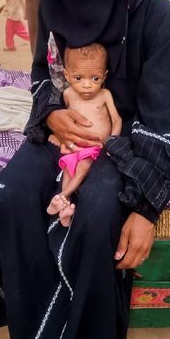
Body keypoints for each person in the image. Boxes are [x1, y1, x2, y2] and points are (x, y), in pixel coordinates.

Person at [0, 0, 170, 339]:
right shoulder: (56, 5)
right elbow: (42, 77)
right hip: (67, 126)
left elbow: (161, 120)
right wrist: (52, 113)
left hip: (125, 139)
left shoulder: (157, 18)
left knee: (95, 217)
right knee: (7, 198)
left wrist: (147, 208)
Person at [46, 43, 122, 226]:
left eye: (95, 78)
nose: (87, 85)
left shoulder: (105, 94)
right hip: (74, 145)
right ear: (66, 75)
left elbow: (117, 119)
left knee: (83, 166)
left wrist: (112, 142)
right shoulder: (67, 94)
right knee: (67, 169)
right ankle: (65, 209)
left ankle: (62, 196)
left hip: (95, 146)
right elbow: (62, 119)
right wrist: (56, 134)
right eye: (78, 78)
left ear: (104, 77)